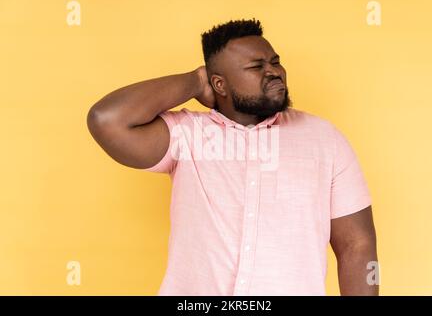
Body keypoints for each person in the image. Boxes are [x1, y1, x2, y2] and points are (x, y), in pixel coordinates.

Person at [87, 18, 378, 296]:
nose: (274, 71)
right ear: (219, 84)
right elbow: (107, 120)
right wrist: (194, 81)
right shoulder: (187, 135)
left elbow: (357, 245)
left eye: (275, 62)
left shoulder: (325, 140)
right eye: (256, 66)